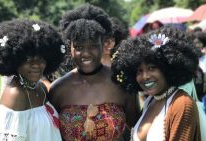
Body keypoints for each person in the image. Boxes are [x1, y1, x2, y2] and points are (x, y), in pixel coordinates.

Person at [49, 4, 139, 141]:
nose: (86, 53)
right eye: (79, 47)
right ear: (70, 48)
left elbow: (137, 129)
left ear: (103, 45)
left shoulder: (121, 83)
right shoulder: (58, 89)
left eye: (93, 46)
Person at [111, 26, 201, 141]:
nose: (145, 76)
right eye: (139, 71)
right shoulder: (151, 101)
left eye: (151, 68)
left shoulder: (181, 103)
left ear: (167, 68)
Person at [0, 19, 65, 141]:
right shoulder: (15, 94)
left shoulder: (41, 88)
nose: (36, 64)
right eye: (28, 59)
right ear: (15, 60)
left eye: (41, 59)